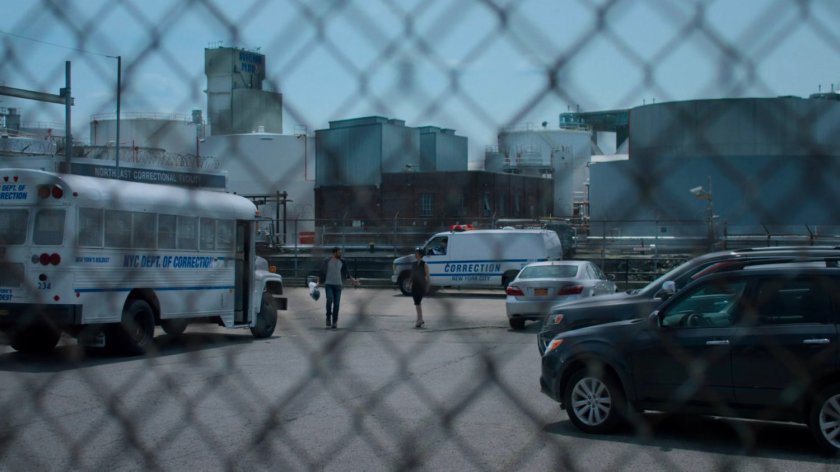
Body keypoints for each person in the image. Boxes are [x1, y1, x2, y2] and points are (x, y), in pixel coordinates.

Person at [317, 247, 359, 329]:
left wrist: (352, 279)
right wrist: (318, 282)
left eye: (341, 252)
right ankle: (328, 317)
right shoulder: (327, 261)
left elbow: (347, 271)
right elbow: (321, 271)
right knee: (329, 299)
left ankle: (334, 322)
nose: (340, 254)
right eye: (339, 253)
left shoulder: (342, 261)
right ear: (334, 253)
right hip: (329, 284)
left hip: (338, 285)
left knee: (336, 304)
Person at [410, 247, 430, 328]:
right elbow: (412, 275)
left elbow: (427, 276)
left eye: (417, 253)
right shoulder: (413, 264)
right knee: (417, 304)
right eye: (415, 252)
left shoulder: (424, 264)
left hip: (421, 286)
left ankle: (420, 319)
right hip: (414, 285)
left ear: (420, 254)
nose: (415, 254)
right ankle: (420, 319)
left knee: (418, 303)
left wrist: (427, 286)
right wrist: (409, 283)